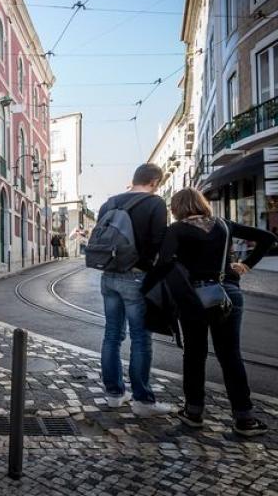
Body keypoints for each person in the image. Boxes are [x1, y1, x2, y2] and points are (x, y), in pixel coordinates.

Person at [155, 188, 275, 436]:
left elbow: (164, 264)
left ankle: (194, 411)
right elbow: (267, 238)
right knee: (230, 356)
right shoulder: (224, 225)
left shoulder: (176, 230)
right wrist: (245, 265)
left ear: (177, 208)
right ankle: (245, 419)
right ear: (201, 204)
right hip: (227, 293)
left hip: (193, 298)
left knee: (194, 354)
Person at [97, 163, 172, 417]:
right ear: (154, 182)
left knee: (112, 335)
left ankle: (114, 395)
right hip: (137, 277)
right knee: (140, 338)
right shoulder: (155, 204)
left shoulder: (109, 203)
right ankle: (142, 400)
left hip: (108, 276)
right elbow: (159, 243)